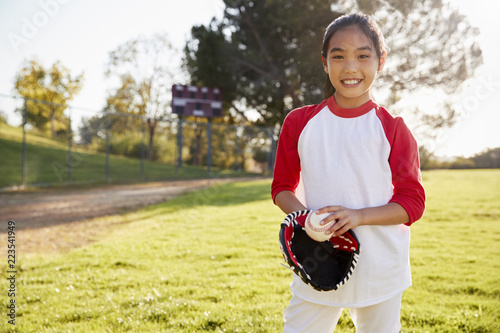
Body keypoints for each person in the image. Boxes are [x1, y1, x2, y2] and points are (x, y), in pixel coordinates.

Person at [271, 13, 426, 333]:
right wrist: (311, 221)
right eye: (338, 56)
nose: (350, 67)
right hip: (318, 261)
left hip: (380, 269)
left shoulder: (394, 129)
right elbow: (281, 188)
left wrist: (356, 217)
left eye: (363, 56)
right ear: (325, 62)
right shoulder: (299, 122)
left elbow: (412, 203)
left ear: (380, 61)